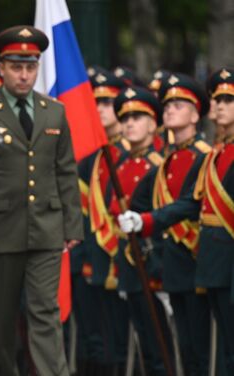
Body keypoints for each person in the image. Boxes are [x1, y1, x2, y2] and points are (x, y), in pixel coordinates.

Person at [0, 25, 83, 376]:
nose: (24, 74)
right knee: (2, 314)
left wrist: (72, 224)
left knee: (45, 311)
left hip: (47, 227)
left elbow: (66, 172)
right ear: (2, 68)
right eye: (16, 66)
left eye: (30, 66)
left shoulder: (53, 111)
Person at [119, 67, 234, 374]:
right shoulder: (214, 156)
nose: (220, 105)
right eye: (217, 99)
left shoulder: (207, 153)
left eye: (228, 99)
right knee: (204, 353)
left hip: (212, 260)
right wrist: (144, 221)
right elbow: (188, 203)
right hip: (208, 265)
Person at [110, 86, 171, 375]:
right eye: (126, 118)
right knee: (144, 343)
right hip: (128, 263)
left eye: (138, 117)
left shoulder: (158, 166)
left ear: (153, 124)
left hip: (154, 263)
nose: (130, 124)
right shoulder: (120, 165)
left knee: (163, 347)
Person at [75, 69, 130, 375]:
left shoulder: (126, 154)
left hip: (124, 255)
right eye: (96, 103)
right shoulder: (93, 157)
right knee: (99, 334)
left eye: (108, 103)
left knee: (123, 336)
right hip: (95, 255)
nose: (100, 109)